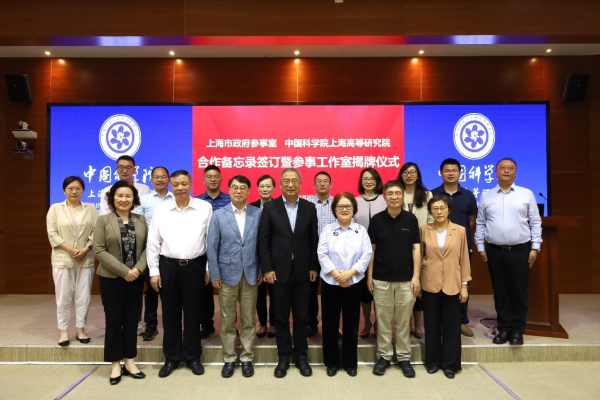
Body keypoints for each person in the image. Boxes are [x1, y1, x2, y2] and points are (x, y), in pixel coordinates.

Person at [148, 170, 213, 378]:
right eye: (176, 184)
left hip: (195, 267)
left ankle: (193, 357)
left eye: (184, 183)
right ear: (171, 185)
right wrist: (154, 271)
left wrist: (208, 267)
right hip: (168, 267)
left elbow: (210, 240)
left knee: (194, 313)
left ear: (191, 184)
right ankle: (172, 358)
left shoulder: (204, 207)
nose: (180, 188)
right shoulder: (162, 209)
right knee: (170, 314)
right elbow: (153, 242)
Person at [258, 168, 319, 378]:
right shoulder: (270, 207)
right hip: (278, 272)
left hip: (303, 271)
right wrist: (267, 268)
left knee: (302, 317)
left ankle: (301, 356)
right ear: (281, 184)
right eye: (286, 181)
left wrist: (313, 266)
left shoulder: (309, 208)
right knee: (281, 317)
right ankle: (283, 357)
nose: (290, 184)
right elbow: (264, 241)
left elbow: (314, 240)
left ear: (300, 184)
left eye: (294, 181)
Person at [475, 158, 542, 346]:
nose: (506, 171)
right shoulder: (487, 196)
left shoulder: (526, 194)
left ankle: (518, 330)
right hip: (494, 251)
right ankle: (504, 329)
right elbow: (481, 223)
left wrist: (535, 247)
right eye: (502, 168)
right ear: (495, 172)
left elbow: (535, 222)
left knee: (519, 291)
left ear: (515, 172)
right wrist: (480, 246)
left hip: (520, 250)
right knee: (500, 291)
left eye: (510, 168)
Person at [207, 175, 262, 378]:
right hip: (226, 275)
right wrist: (214, 273)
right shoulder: (219, 215)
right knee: (228, 319)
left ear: (248, 191)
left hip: (251, 273)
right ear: (229, 190)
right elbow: (212, 246)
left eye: (243, 188)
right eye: (235, 188)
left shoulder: (258, 214)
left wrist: (261, 270)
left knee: (249, 319)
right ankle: (229, 358)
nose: (239, 191)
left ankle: (247, 357)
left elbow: (262, 245)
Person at [94, 180, 148, 385]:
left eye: (128, 196)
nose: (124, 199)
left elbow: (148, 247)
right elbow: (99, 250)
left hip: (135, 278)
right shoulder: (103, 221)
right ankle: (115, 364)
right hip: (111, 279)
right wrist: (124, 271)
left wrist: (137, 269)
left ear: (134, 199)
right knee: (114, 320)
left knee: (132, 320)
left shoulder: (141, 220)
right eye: (119, 196)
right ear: (112, 198)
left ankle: (130, 361)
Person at [367, 180, 421, 378]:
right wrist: (370, 276)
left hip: (406, 280)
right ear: (384, 196)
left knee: (404, 321)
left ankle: (404, 358)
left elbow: (416, 249)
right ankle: (384, 356)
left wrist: (416, 277)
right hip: (381, 279)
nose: (394, 197)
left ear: (403, 196)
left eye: (398, 193)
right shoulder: (377, 220)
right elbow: (371, 250)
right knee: (383, 320)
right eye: (390, 193)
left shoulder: (411, 219)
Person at [317, 192, 371, 377]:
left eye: (348, 206)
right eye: (341, 206)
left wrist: (349, 273)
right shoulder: (327, 230)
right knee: (330, 323)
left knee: (351, 323)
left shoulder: (360, 231)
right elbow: (322, 253)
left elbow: (366, 254)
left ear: (354, 209)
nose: (345, 209)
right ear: (335, 209)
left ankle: (349, 362)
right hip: (330, 282)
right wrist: (337, 275)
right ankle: (331, 362)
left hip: (354, 282)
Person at [420, 195, 471, 379]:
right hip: (429, 282)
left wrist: (464, 285)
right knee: (431, 324)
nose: (439, 212)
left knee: (451, 326)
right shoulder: (423, 229)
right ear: (430, 212)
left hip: (452, 282)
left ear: (449, 210)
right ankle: (432, 362)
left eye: (442, 208)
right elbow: (419, 257)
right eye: (435, 208)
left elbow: (464, 258)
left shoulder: (460, 230)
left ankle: (450, 364)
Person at [46, 176, 98, 347]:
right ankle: (64, 331)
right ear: (64, 190)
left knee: (84, 296)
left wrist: (86, 249)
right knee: (63, 297)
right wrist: (70, 250)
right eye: (70, 188)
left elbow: (96, 231)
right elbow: (52, 233)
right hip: (62, 258)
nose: (74, 191)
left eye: (78, 188)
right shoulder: (55, 208)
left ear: (83, 190)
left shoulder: (91, 208)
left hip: (85, 258)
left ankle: (81, 329)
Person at [432, 158, 478, 337]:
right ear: (441, 173)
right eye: (447, 170)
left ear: (460, 173)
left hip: (461, 247)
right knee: (438, 284)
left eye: (454, 170)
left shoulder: (468, 195)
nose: (450, 173)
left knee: (462, 283)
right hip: (437, 247)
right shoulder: (433, 194)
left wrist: (458, 236)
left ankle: (461, 321)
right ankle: (440, 322)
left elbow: (472, 220)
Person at [137, 166, 173, 341]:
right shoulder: (143, 200)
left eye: (163, 177)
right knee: (151, 290)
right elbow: (138, 223)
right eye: (156, 177)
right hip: (150, 250)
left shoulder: (176, 198)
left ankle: (172, 325)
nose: (160, 180)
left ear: (168, 180)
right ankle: (151, 326)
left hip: (172, 251)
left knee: (171, 291)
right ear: (151, 180)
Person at [195, 165, 231, 339]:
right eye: (209, 176)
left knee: (229, 290)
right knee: (204, 291)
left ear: (221, 179)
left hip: (227, 251)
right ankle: (206, 324)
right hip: (203, 250)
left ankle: (229, 325)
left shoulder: (231, 199)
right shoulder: (197, 201)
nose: (213, 179)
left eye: (216, 176)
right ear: (203, 180)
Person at [398, 162, 433, 339]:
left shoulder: (427, 195)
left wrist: (425, 242)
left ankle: (417, 324)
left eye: (412, 172)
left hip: (421, 244)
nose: (409, 175)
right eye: (405, 172)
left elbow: (431, 220)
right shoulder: (396, 193)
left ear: (418, 175)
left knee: (418, 285)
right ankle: (404, 324)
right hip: (400, 245)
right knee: (403, 287)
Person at [354, 168, 386, 339]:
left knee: (380, 292)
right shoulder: (355, 201)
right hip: (360, 254)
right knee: (365, 294)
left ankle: (379, 323)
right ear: (361, 182)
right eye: (365, 178)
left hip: (382, 253)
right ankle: (367, 322)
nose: (368, 181)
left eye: (372, 178)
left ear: (377, 181)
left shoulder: (385, 200)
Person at [307, 171, 336, 337]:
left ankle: (332, 327)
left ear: (330, 184)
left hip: (333, 255)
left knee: (331, 293)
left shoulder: (337, 203)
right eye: (319, 181)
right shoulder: (307, 204)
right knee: (310, 293)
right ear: (314, 185)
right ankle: (311, 323)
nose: (322, 184)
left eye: (326, 181)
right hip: (312, 254)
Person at [250, 175, 276, 339]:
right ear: (257, 188)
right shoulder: (251, 208)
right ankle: (263, 324)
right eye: (262, 186)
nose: (265, 189)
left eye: (268, 186)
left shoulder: (279, 207)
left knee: (275, 294)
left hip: (275, 258)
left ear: (274, 188)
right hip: (255, 257)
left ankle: (273, 323)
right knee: (259, 294)